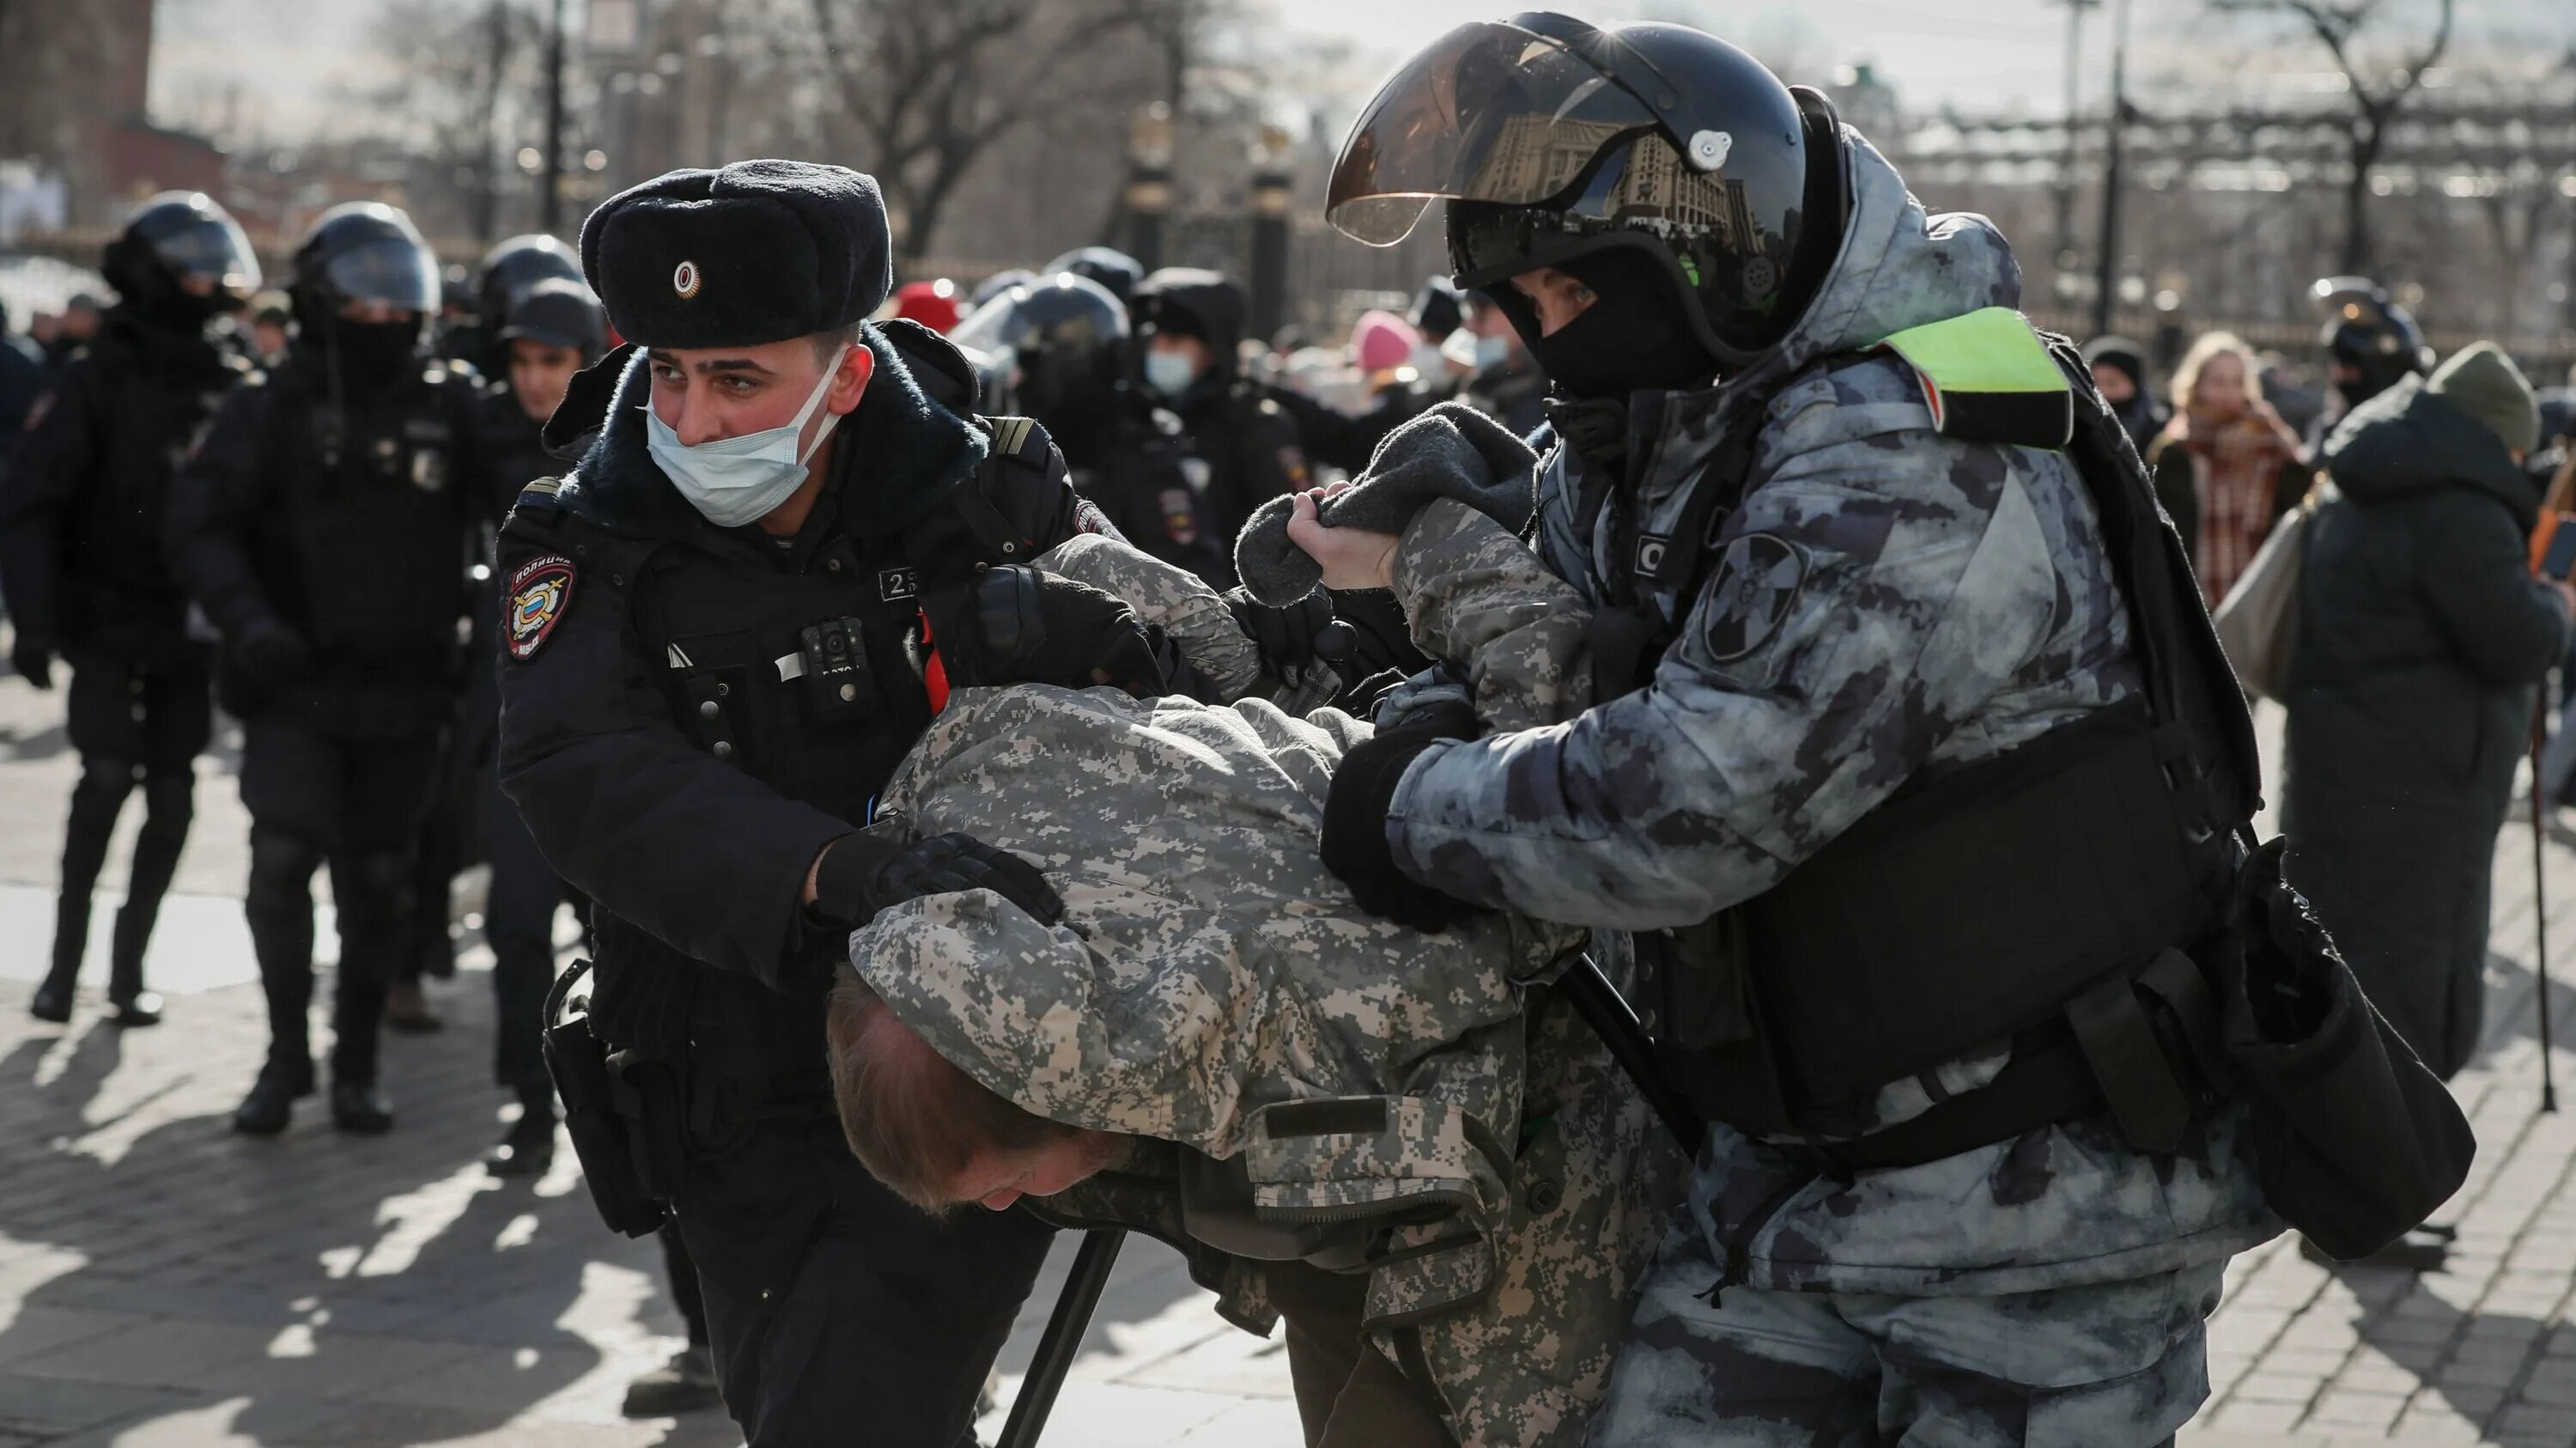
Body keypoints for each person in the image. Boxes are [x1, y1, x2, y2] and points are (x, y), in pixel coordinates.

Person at [1309, 15, 2277, 1443]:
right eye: (1528, 304)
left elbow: (1691, 806)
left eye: (1575, 288)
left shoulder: (1916, 441)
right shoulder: (1700, 417)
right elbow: (1594, 655)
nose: (1550, 335)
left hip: (2040, 1228)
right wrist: (1455, 612)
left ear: (1707, 244)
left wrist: (1407, 804)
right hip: (1793, 1183)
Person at [493, 159, 1169, 1447]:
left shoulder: (986, 491)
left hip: (949, 1060)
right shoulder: (582, 531)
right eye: (669, 369)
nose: (687, 417)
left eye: (739, 377)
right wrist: (830, 870)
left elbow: (1175, 683)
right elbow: (576, 762)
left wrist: (1100, 637)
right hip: (721, 1077)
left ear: (850, 374)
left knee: (854, 1412)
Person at [821, 456, 1685, 1445]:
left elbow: (1556, 778)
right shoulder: (954, 811)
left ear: (1051, 1093)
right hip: (1346, 1193)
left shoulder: (1340, 1009)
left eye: (1006, 1180)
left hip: (1531, 1171)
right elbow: (1114, 588)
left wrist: (1425, 549)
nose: (1011, 1204)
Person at [167, 201, 493, 1136]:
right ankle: (284, 1060)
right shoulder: (269, 406)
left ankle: (356, 1065)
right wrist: (248, 622)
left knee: (378, 879)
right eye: (366, 297)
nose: (386, 315)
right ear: (320, 300)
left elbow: (531, 496)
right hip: (293, 682)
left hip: (407, 690)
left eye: (402, 299)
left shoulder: (449, 403)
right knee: (280, 863)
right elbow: (200, 523)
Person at [2, 192, 261, 1026]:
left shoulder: (230, 379)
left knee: (176, 793)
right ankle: (62, 965)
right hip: (105, 616)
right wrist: (35, 620)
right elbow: (34, 500)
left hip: (190, 624)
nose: (205, 278)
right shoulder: (98, 375)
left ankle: (128, 969)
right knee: (107, 776)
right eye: (187, 262)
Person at [2283, 344, 2566, 1104]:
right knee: (2403, 980)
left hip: (2358, 763)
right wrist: (2558, 610)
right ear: (2490, 435)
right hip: (2422, 781)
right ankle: (2374, 1204)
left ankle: (2357, 1202)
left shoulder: (2377, 475)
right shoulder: (2459, 507)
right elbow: (2514, 641)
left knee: (2356, 963)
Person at [1130, 266, 1314, 570]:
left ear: (1212, 350)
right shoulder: (1141, 419)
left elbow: (1292, 533)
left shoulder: (1257, 425)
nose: (1160, 352)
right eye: (1155, 340)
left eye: (1175, 342)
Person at [2147, 331, 2310, 607]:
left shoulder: (2268, 440)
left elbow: (2299, 501)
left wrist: (2278, 437)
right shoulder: (2174, 449)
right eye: (2217, 381)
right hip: (2191, 598)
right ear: (2196, 385)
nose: (2228, 392)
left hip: (2258, 594)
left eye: (2237, 382)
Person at [2308, 275, 2432, 446]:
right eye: (2341, 364)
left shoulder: (2412, 431)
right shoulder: (2332, 429)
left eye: (2350, 366)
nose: (2340, 374)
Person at [2084, 333, 2169, 457]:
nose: (2103, 391)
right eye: (2095, 383)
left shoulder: (2156, 430)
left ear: (2134, 384)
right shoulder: (2078, 420)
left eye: (2112, 383)